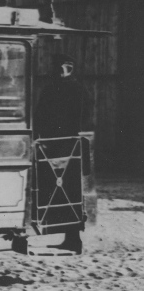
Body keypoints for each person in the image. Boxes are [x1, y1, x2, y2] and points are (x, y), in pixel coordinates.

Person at [33, 53, 90, 252]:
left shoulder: (76, 89)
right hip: (53, 144)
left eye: (62, 68)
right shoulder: (54, 88)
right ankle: (69, 237)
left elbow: (84, 118)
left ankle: (74, 239)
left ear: (70, 69)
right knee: (58, 190)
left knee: (69, 191)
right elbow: (40, 114)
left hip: (67, 146)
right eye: (57, 67)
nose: (58, 71)